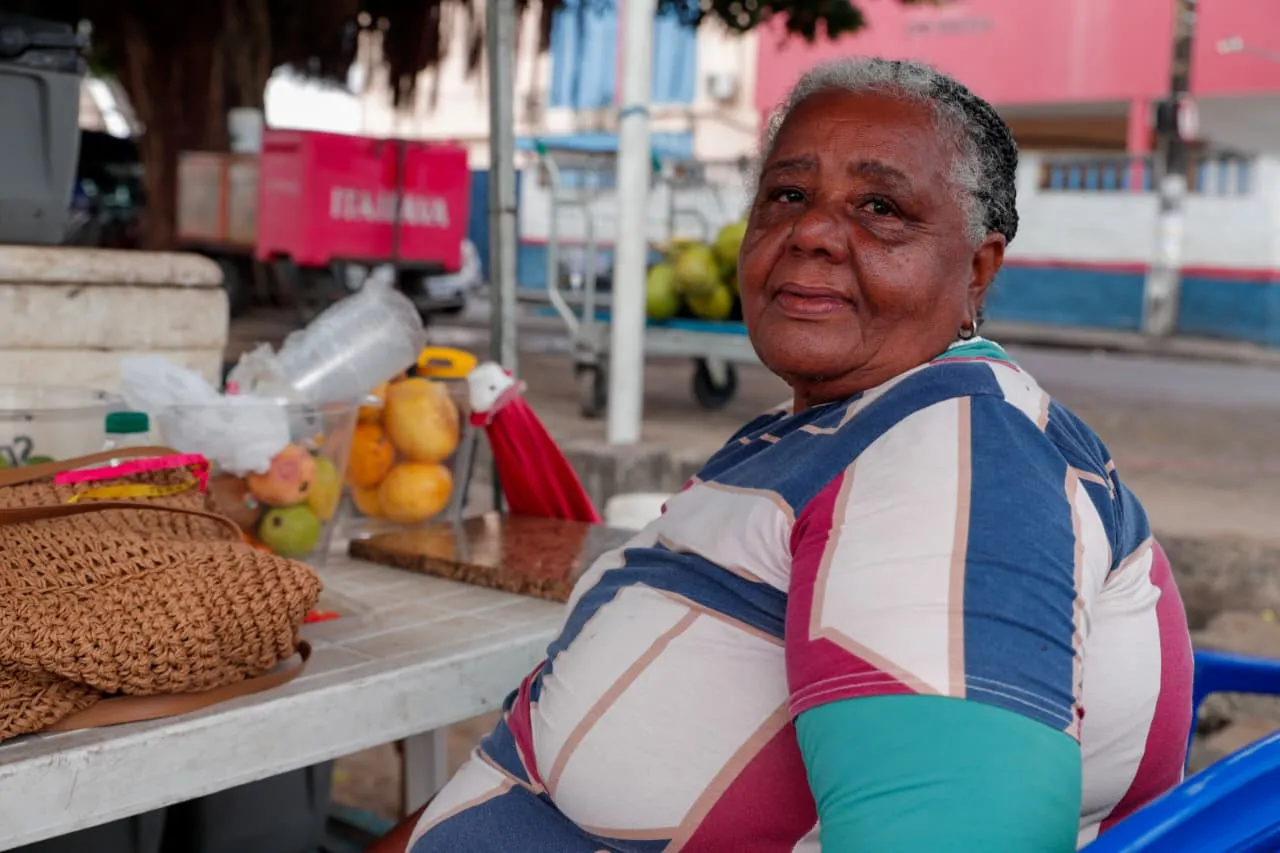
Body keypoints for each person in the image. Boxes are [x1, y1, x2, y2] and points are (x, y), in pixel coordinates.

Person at [395, 58, 1194, 852]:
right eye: (787, 195)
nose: (810, 231)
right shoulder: (835, 419)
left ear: (978, 270)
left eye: (881, 207)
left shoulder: (955, 452)